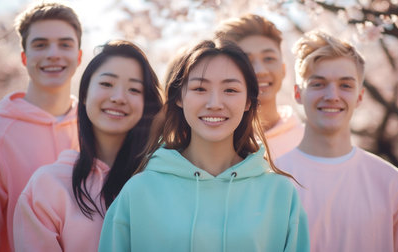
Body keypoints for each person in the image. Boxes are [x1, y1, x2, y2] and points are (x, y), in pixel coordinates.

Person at [98, 39, 310, 252]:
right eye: (200, 88)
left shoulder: (280, 194)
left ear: (248, 102)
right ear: (179, 97)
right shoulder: (140, 191)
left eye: (230, 90)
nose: (215, 103)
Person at [275, 31, 398, 251]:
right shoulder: (271, 181)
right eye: (318, 84)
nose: (332, 95)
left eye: (345, 85)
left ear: (359, 96)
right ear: (298, 93)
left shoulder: (392, 182)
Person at [12, 40, 163, 252]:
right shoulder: (48, 185)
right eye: (107, 84)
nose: (119, 98)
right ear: (84, 94)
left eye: (134, 89)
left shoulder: (162, 180)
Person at [0, 3, 82, 251]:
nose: (53, 53)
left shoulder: (97, 128)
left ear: (79, 56)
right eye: (40, 44)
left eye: (65, 44)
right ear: (24, 58)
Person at [214, 14, 304, 159]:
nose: (260, 70)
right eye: (246, 60)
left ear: (283, 69)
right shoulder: (213, 141)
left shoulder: (306, 141)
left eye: (269, 58)